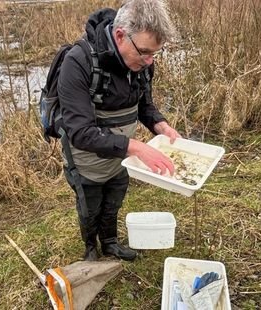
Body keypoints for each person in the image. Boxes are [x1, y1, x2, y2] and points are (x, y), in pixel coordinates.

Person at [58, 0, 181, 261]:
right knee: (90, 208)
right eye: (145, 52)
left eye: (154, 54)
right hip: (87, 160)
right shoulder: (77, 62)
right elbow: (80, 132)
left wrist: (162, 126)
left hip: (121, 157)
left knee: (113, 201)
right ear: (120, 35)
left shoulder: (143, 63)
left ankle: (111, 243)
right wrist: (136, 147)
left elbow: (144, 106)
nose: (149, 61)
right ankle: (91, 249)